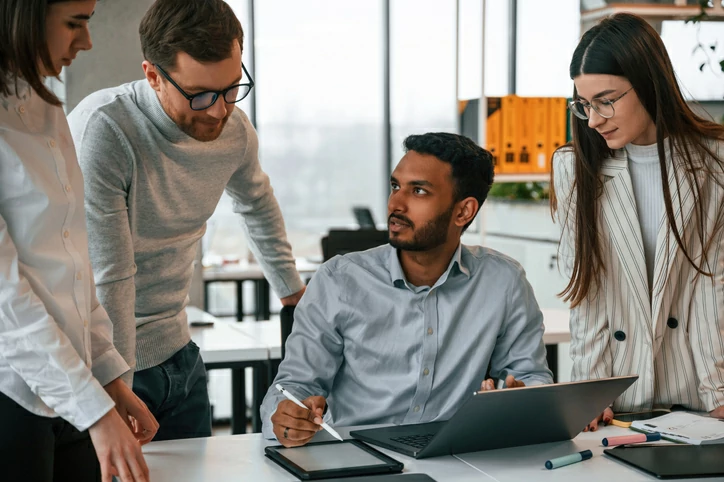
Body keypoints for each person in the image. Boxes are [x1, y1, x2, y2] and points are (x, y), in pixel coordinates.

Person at [67, 0, 306, 441]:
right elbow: (112, 273)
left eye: (233, 88)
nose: (219, 110)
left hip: (180, 356)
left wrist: (292, 292)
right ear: (153, 76)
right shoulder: (106, 129)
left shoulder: (235, 131)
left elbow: (256, 202)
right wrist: (116, 387)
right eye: (200, 94)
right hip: (101, 365)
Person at [260, 132, 553, 447]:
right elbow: (292, 387)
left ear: (463, 212)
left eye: (419, 191)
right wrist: (288, 416)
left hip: (458, 457)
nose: (395, 203)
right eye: (396, 186)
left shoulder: (503, 281)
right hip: (357, 455)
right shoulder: (339, 280)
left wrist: (523, 397)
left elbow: (532, 376)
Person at [0, 1, 159, 481]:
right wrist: (93, 408)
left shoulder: (46, 106)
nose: (86, 41)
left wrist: (111, 379)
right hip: (14, 394)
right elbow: (6, 301)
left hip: (75, 386)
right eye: (75, 23)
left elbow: (73, 262)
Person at [551, 12, 724, 432]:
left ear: (649, 82)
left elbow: (714, 283)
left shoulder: (715, 160)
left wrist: (719, 393)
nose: (593, 119)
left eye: (607, 100)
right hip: (614, 403)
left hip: (698, 399)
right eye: (585, 104)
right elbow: (587, 294)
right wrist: (588, 393)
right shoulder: (574, 167)